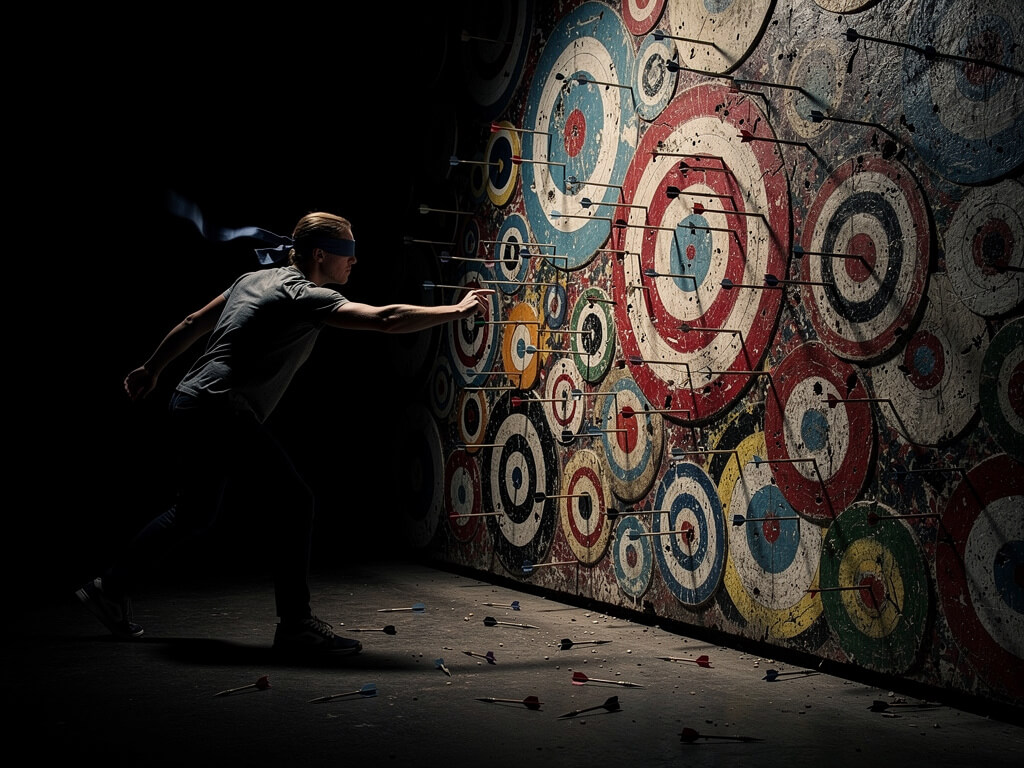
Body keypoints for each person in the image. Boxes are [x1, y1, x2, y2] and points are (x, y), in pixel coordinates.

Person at [76, 211, 493, 656]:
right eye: (348, 252)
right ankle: (295, 625)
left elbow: (193, 322)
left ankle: (109, 589)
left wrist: (152, 368)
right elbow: (384, 319)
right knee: (295, 502)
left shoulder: (252, 280)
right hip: (220, 407)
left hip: (189, 400)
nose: (354, 261)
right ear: (320, 254)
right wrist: (457, 309)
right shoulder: (302, 294)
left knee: (194, 513)